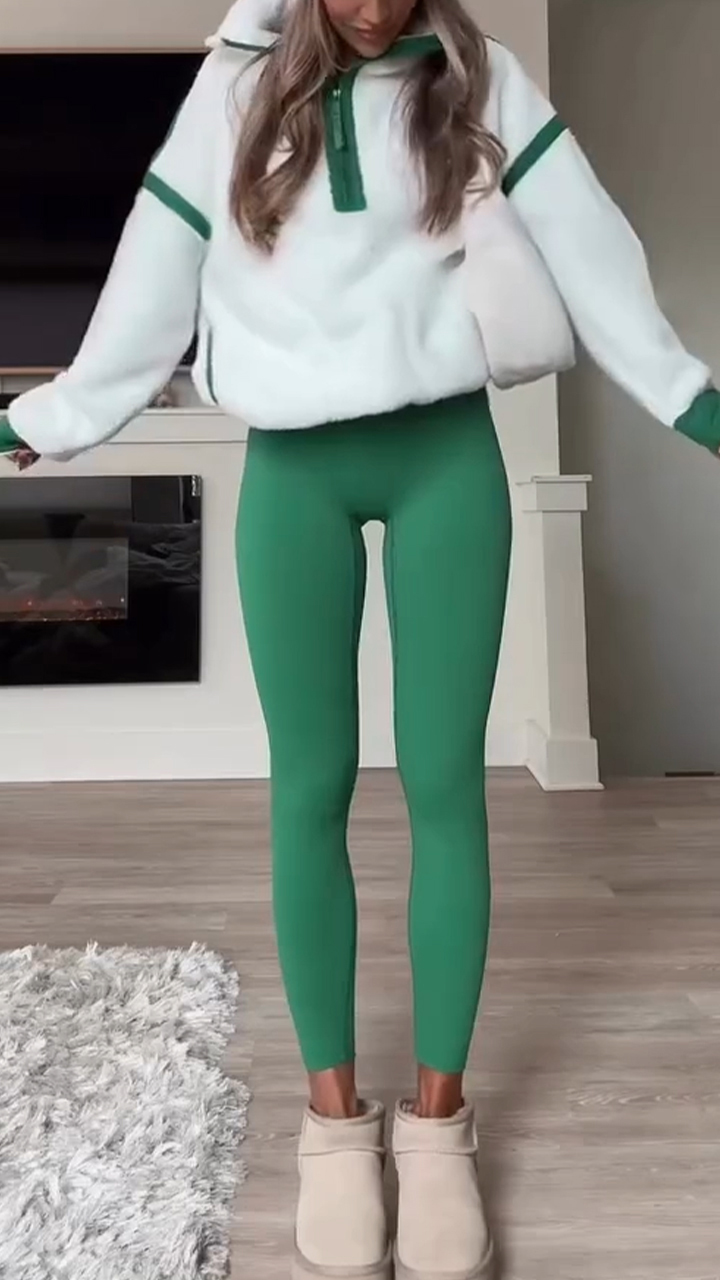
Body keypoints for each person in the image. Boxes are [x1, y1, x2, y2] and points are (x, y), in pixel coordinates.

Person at [2, 0, 719, 1275]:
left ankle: (439, 1123)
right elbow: (153, 272)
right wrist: (49, 418)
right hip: (293, 473)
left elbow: (592, 244)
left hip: (448, 459)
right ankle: (335, 1122)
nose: (379, 0)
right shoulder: (234, 90)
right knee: (309, 789)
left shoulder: (482, 79)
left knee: (445, 785)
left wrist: (689, 396)